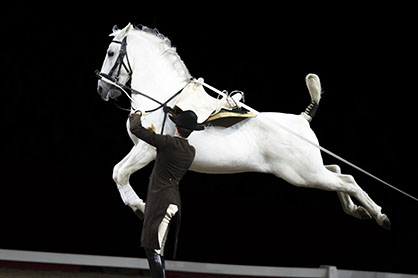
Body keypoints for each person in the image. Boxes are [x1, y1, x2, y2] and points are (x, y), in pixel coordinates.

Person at [128, 109, 204, 278]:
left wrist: (137, 113)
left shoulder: (168, 143)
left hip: (161, 201)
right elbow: (167, 155)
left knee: (151, 248)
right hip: (173, 201)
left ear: (176, 126)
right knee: (157, 248)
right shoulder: (190, 151)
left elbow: (135, 129)